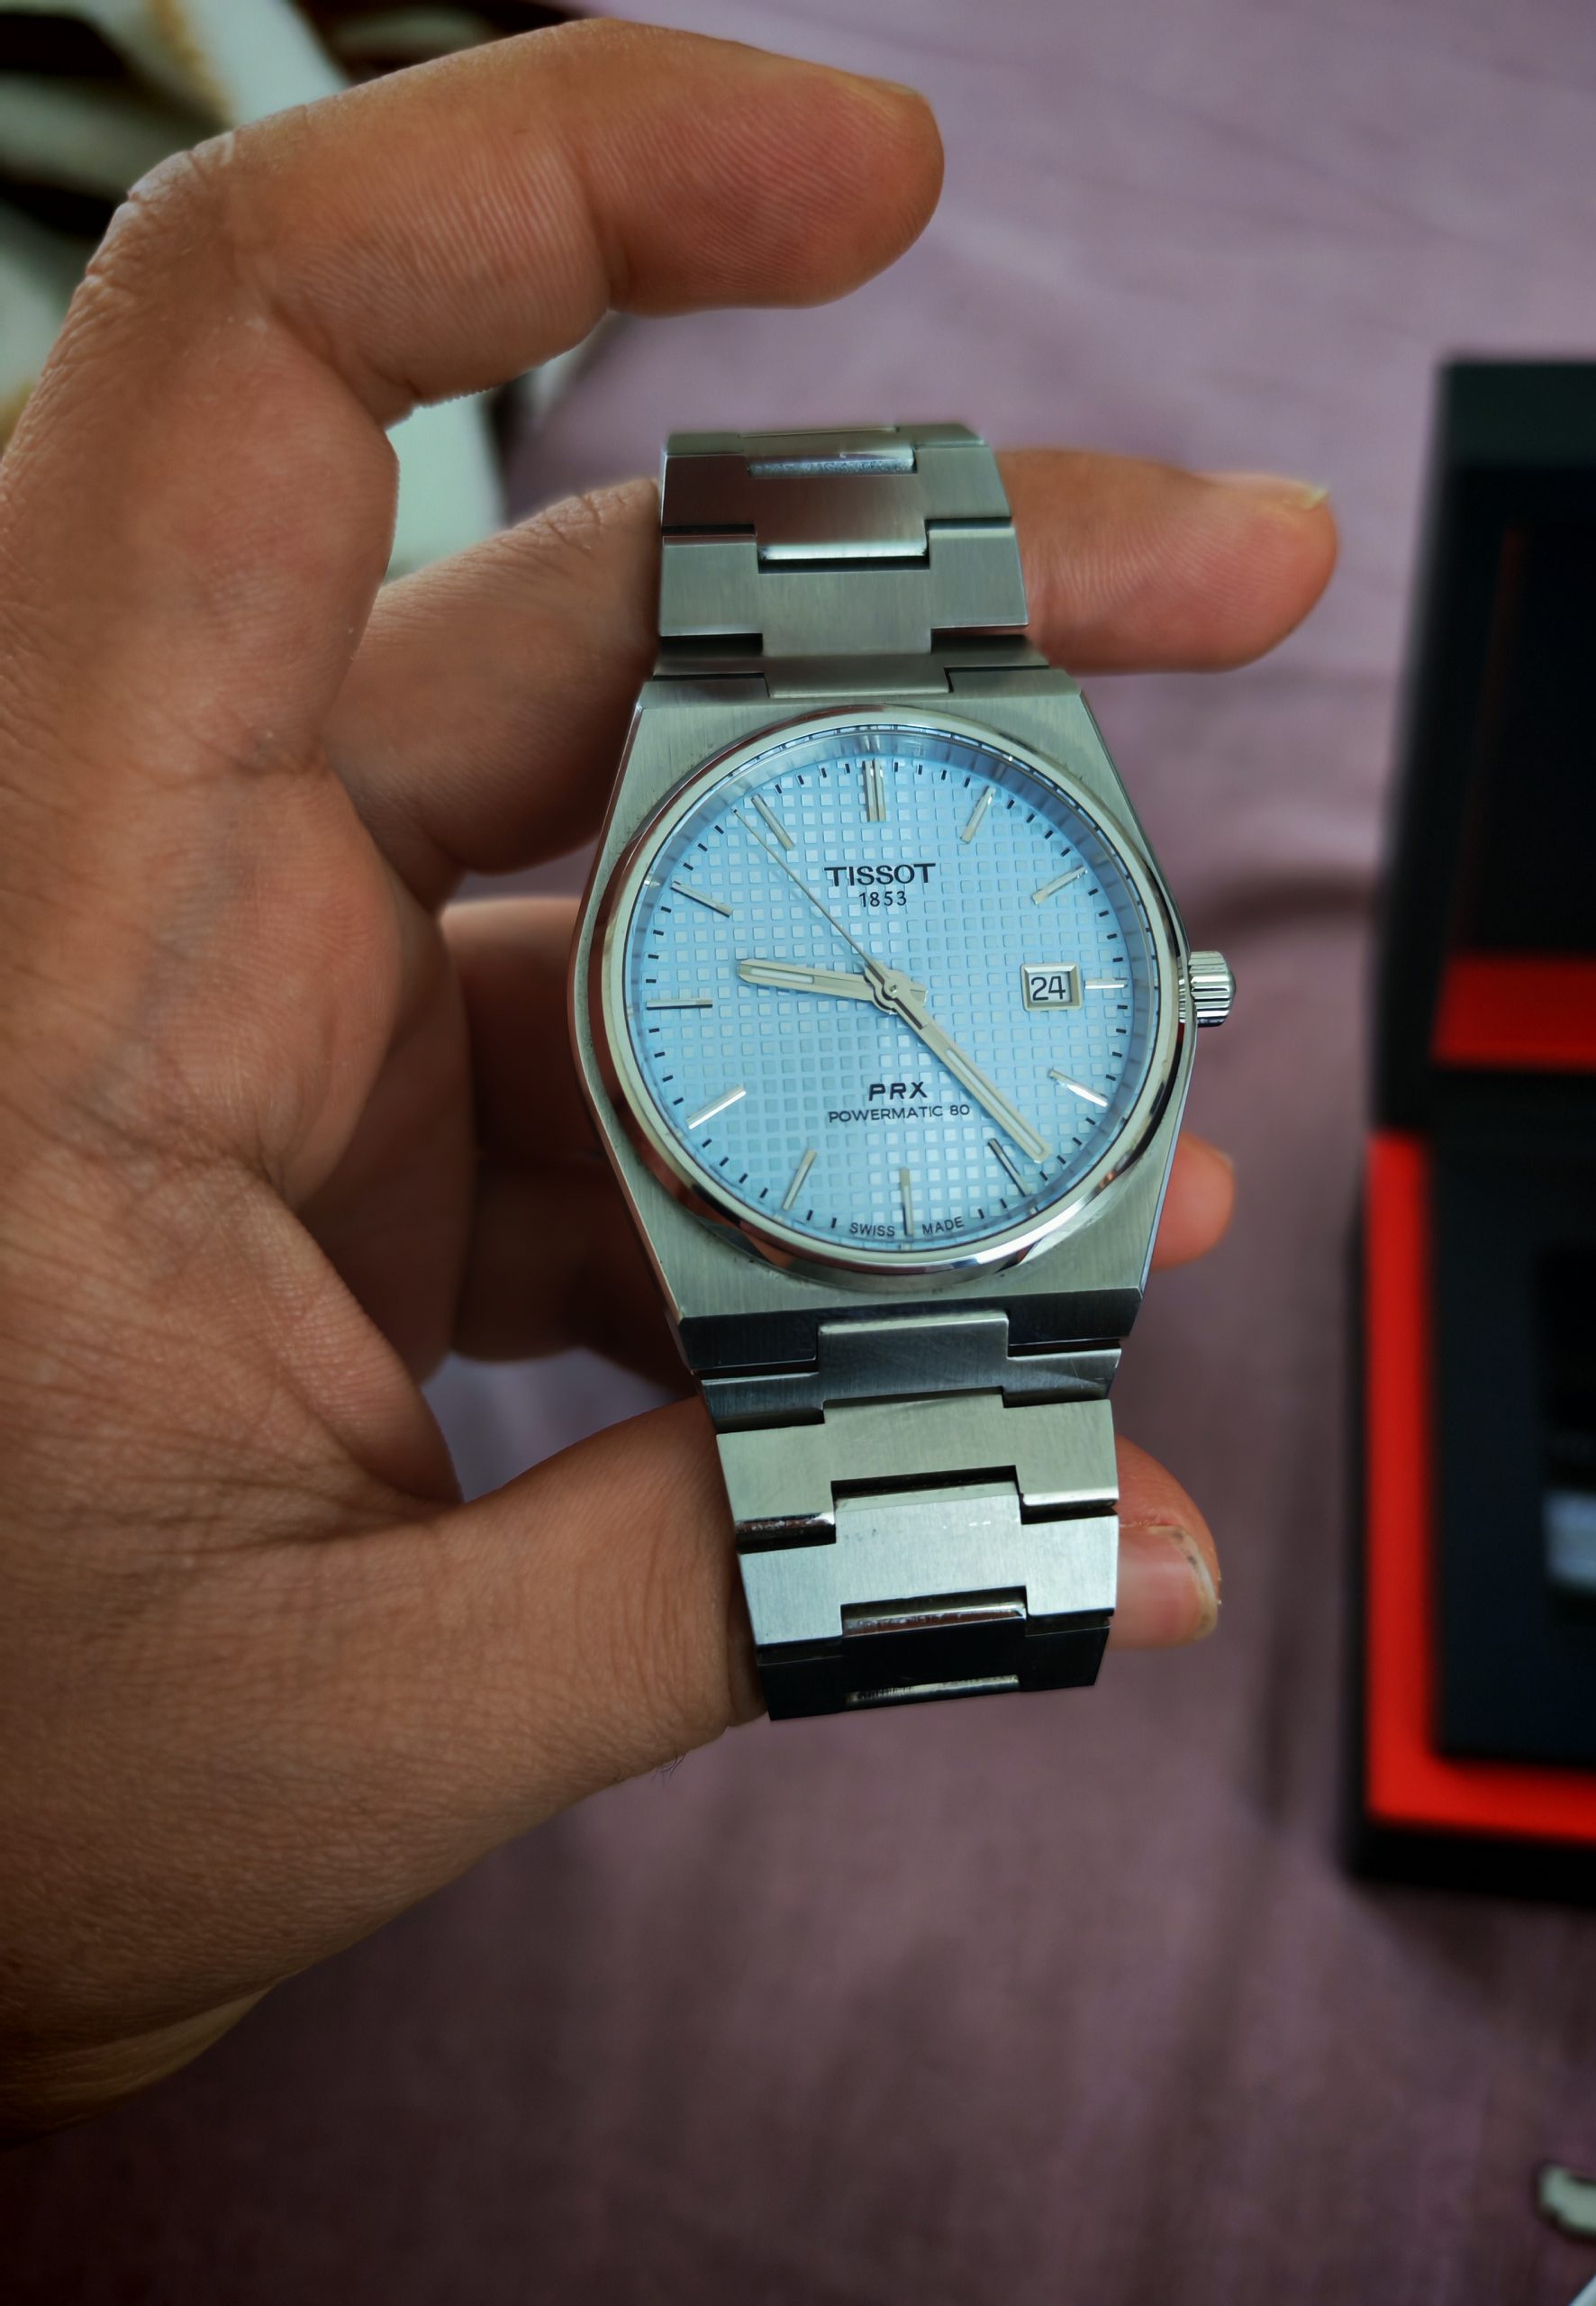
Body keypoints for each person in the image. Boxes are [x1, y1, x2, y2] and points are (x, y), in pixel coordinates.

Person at [0, 20, 1336, 2141]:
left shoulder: (972, 954)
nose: (895, 996)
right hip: (857, 1176)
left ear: (1165, 993)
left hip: (979, 1168)